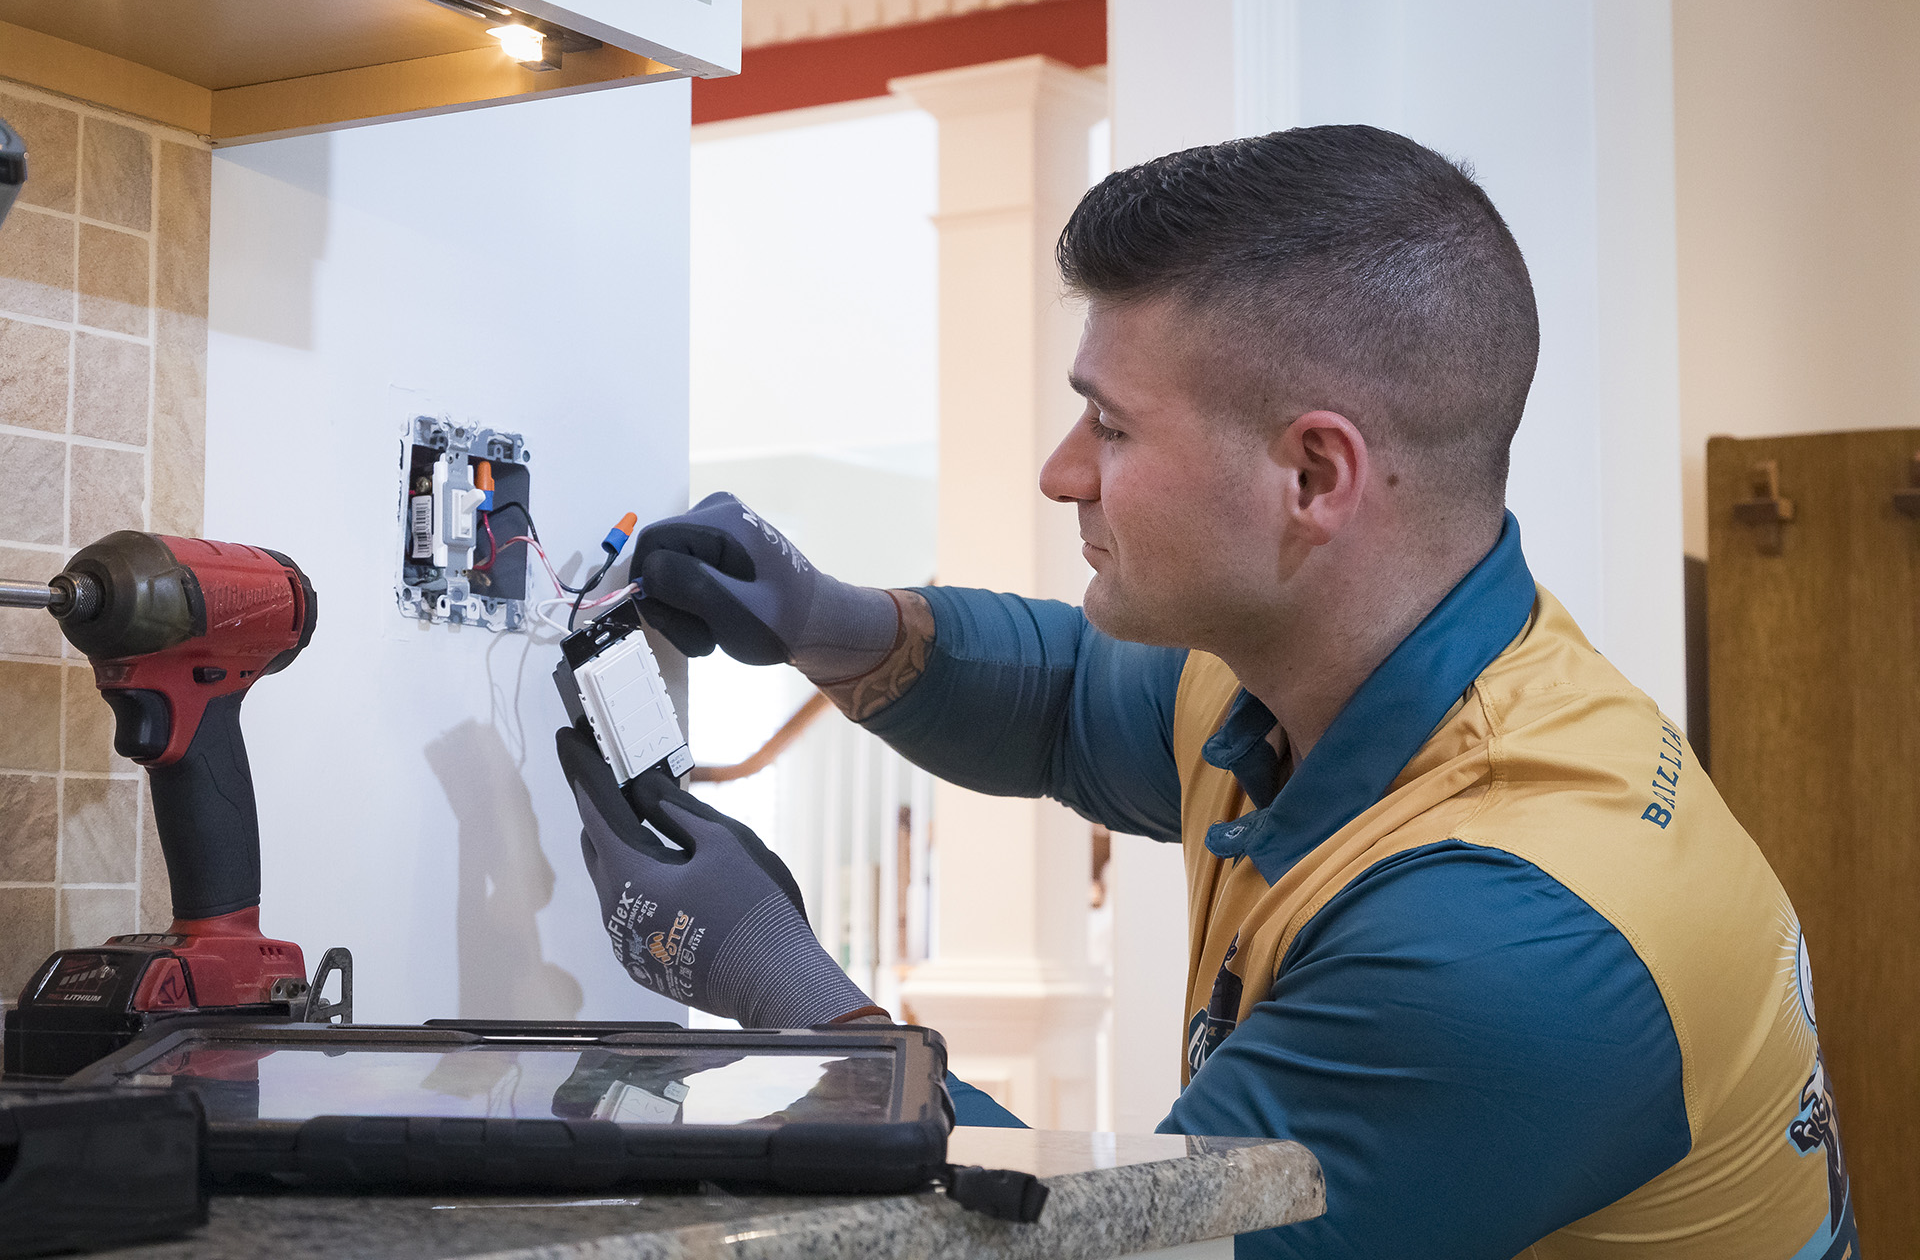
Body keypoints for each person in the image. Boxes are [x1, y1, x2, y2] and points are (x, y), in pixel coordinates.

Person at [557, 125, 1857, 1258]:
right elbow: (1071, 700)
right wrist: (830, 622)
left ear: (1312, 478)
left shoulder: (1502, 944)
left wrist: (783, 987)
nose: (1062, 473)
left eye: (1109, 427)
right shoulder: (1329, 675)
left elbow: (1133, 1255)